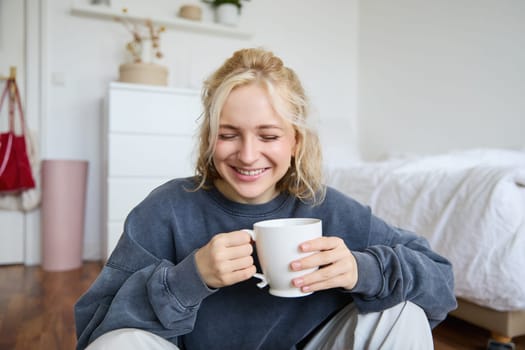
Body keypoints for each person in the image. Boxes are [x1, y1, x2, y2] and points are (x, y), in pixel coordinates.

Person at [75, 47, 456, 350]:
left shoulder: (328, 208)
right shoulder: (167, 210)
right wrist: (188, 278)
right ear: (209, 139)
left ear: (295, 141)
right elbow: (96, 327)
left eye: (269, 136)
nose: (247, 154)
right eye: (228, 134)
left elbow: (440, 279)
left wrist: (363, 271)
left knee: (400, 314)